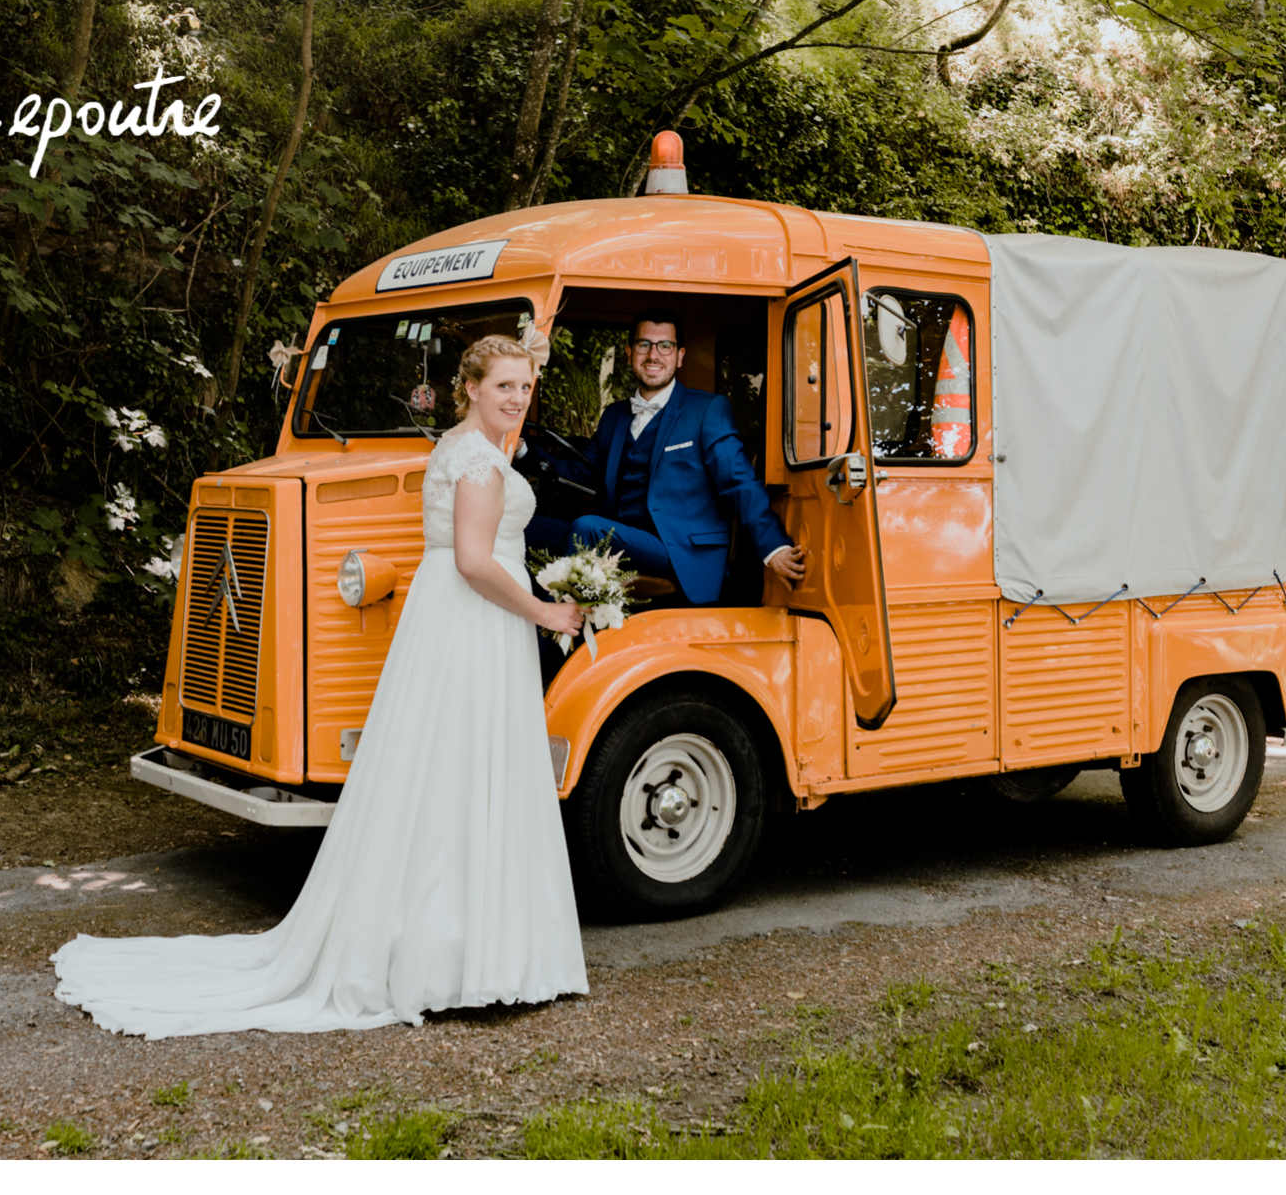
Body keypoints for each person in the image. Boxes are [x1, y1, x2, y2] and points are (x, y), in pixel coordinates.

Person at [51, 337, 588, 1036]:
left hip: (449, 621)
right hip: (476, 619)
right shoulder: (481, 461)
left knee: (442, 768)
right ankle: (466, 953)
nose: (517, 398)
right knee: (468, 766)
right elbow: (474, 561)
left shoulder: (457, 445)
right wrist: (546, 609)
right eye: (504, 387)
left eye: (525, 386)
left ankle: (447, 941)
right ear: (471, 388)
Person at [535, 310, 805, 604]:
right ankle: (526, 631)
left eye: (665, 346)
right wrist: (522, 451)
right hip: (621, 538)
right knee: (522, 527)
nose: (654, 355)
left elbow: (738, 481)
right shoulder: (614, 415)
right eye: (644, 345)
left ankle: (561, 633)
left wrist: (773, 546)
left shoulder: (707, 409)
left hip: (680, 549)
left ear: (679, 356)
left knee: (588, 527)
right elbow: (583, 474)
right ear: (629, 353)